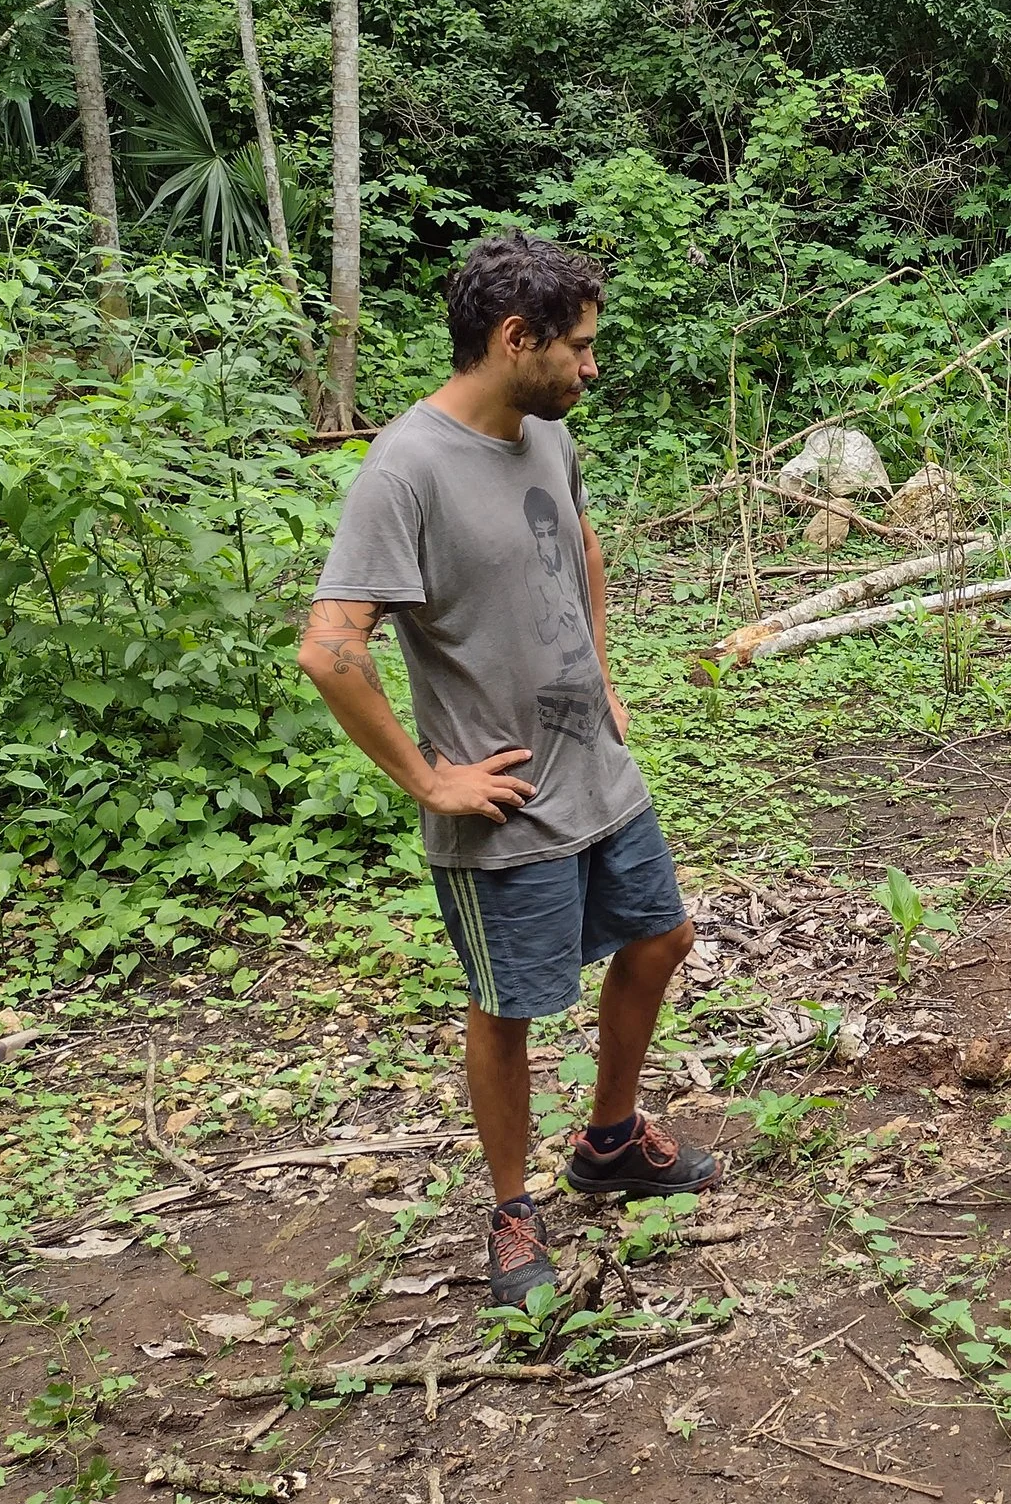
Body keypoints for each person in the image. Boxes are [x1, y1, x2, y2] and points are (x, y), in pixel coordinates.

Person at [300, 230, 721, 1306]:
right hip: (507, 800)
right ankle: (510, 1210)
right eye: (577, 347)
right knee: (511, 1004)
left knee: (661, 936)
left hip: (598, 769)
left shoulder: (544, 432)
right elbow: (331, 646)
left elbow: (577, 539)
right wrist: (429, 780)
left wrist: (603, 671)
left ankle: (612, 1141)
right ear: (513, 338)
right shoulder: (405, 471)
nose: (591, 367)